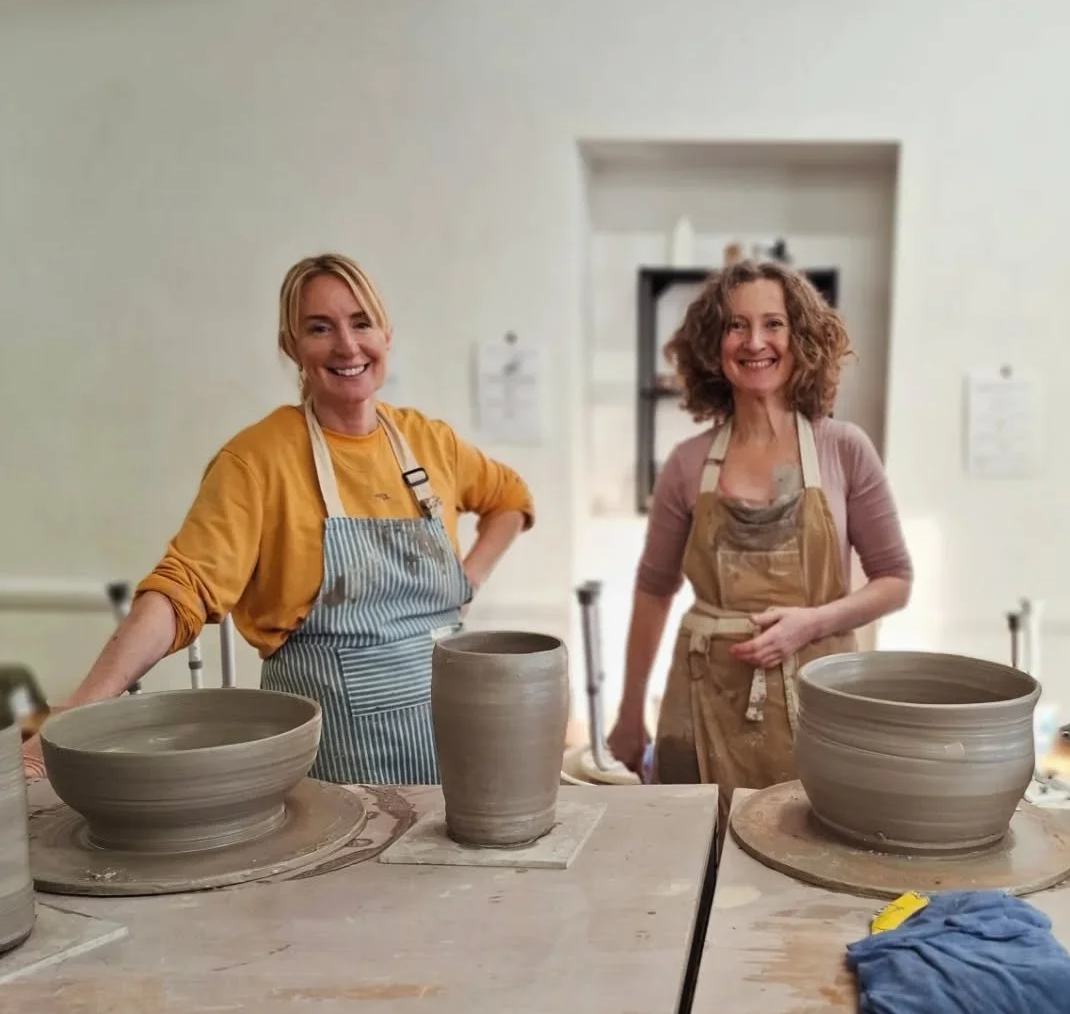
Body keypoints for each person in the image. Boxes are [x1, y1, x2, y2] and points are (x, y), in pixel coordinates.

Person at [22, 254, 534, 786]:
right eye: (320, 328)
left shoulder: (431, 442)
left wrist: (471, 577)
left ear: (386, 335)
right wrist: (79, 708)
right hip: (338, 757)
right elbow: (183, 589)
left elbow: (510, 498)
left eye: (361, 323)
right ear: (291, 346)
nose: (347, 346)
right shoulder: (258, 459)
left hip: (450, 733)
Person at [607, 260, 913, 804]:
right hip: (704, 700)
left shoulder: (842, 449)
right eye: (735, 325)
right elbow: (654, 589)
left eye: (773, 324)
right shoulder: (686, 463)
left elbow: (895, 580)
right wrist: (630, 712)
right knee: (699, 865)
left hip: (820, 699)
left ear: (801, 338)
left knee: (810, 858)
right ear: (713, 344)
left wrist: (811, 622)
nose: (755, 342)